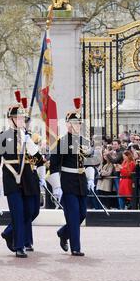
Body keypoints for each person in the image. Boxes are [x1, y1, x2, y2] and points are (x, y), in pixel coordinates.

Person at [0, 100, 45, 258]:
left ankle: (9, 232)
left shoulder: (28, 137)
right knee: (18, 212)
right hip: (11, 177)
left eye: (23, 118)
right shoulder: (2, 138)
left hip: (29, 178)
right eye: (18, 117)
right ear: (10, 119)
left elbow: (39, 159)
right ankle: (19, 245)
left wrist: (30, 145)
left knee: (33, 210)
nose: (22, 120)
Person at [49, 97, 96, 256]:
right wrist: (57, 187)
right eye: (74, 123)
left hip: (81, 181)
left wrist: (90, 179)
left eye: (79, 123)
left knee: (82, 213)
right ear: (68, 125)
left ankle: (63, 233)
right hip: (68, 182)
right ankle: (76, 248)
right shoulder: (61, 142)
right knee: (73, 214)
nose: (77, 126)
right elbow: (54, 166)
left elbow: (90, 163)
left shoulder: (85, 141)